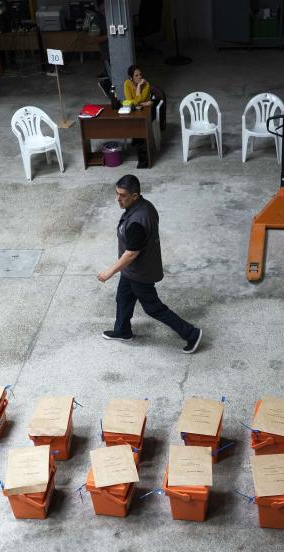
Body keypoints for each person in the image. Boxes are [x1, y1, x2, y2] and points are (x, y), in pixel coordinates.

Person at [99, 175, 202, 354]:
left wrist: (109, 272)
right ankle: (123, 331)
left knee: (153, 308)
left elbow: (131, 253)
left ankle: (191, 334)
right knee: (123, 298)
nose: (118, 198)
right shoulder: (145, 206)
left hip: (139, 273)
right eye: (117, 194)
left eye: (123, 195)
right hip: (132, 270)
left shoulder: (137, 222)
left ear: (135, 196)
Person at [124, 65, 153, 168]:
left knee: (140, 125)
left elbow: (137, 100)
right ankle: (136, 138)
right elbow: (130, 101)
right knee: (129, 121)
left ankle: (143, 160)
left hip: (146, 111)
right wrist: (141, 103)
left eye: (140, 75)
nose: (139, 77)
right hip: (136, 109)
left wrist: (140, 87)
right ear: (131, 77)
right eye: (136, 75)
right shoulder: (127, 84)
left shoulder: (146, 85)